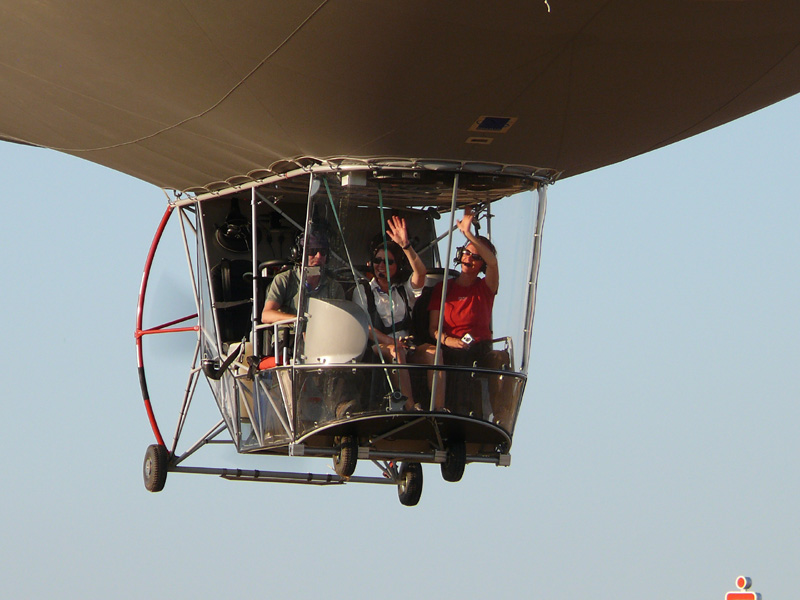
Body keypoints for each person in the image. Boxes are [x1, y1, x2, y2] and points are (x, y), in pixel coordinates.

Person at [414, 206, 498, 411]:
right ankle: (451, 411)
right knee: (457, 358)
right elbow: (433, 329)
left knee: (500, 359)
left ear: (481, 264)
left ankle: (498, 412)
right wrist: (449, 340)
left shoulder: (485, 287)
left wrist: (469, 233)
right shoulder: (444, 288)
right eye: (467, 253)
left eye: (475, 257)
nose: (468, 258)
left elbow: (493, 263)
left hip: (479, 348)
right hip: (452, 347)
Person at [354, 216, 427, 410]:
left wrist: (406, 246)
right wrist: (391, 342)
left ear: (397, 266)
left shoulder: (403, 291)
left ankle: (437, 407)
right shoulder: (363, 291)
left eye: (388, 262)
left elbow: (421, 274)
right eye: (378, 261)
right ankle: (410, 405)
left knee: (433, 353)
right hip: (380, 348)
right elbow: (366, 328)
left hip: (407, 346)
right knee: (397, 351)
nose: (381, 266)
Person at [261, 228, 345, 325]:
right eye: (312, 251)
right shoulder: (284, 280)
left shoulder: (334, 287)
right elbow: (266, 315)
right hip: (289, 337)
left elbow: (341, 319)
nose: (318, 256)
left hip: (321, 338)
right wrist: (297, 320)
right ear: (299, 254)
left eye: (323, 251)